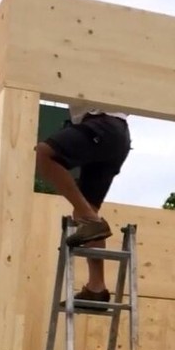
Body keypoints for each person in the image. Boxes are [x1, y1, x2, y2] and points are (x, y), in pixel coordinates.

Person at [35, 104, 132, 307]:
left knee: (44, 154)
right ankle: (97, 287)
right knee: (86, 208)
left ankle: (91, 220)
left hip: (102, 125)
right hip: (117, 136)